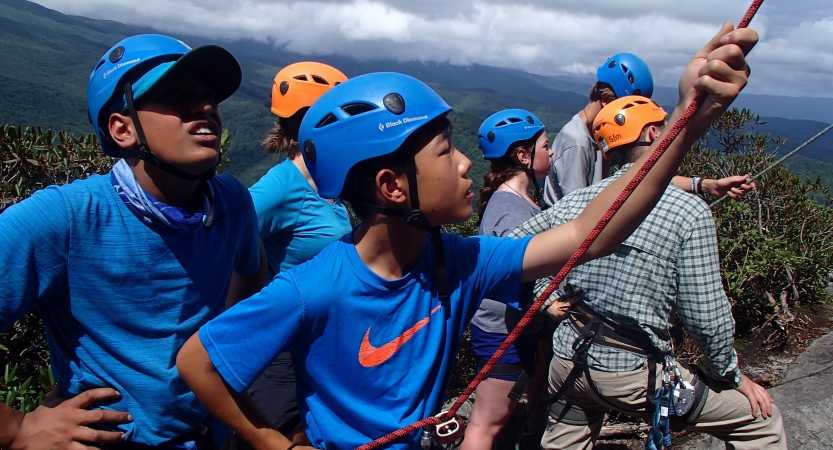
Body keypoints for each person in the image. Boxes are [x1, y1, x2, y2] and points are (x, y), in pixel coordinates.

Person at [176, 22, 757, 450]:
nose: (463, 165)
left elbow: (589, 231)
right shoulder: (314, 287)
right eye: (444, 151)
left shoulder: (457, 259)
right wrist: (279, 445)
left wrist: (684, 120)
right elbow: (199, 361)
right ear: (393, 186)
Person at [0, 34, 267, 449]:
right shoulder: (67, 218)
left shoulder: (232, 203)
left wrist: (225, 376)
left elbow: (248, 281)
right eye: (176, 96)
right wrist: (17, 430)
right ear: (122, 129)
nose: (206, 108)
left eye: (209, 96)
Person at [510, 95, 786, 449]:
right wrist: (730, 375)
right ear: (655, 132)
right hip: (635, 372)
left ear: (608, 152)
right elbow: (706, 319)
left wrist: (544, 294)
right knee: (762, 424)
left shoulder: (577, 202)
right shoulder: (688, 213)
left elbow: (512, 249)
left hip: (568, 363)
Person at [247, 62, 352, 444]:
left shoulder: (328, 183)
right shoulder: (282, 186)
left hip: (316, 347)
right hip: (282, 352)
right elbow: (223, 238)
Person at [461, 109, 574, 450]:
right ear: (524, 156)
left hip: (508, 328)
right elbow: (512, 276)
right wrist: (545, 309)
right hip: (503, 332)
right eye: (545, 145)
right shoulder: (511, 211)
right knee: (486, 424)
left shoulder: (514, 200)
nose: (551, 151)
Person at [542, 52, 755, 207]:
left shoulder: (604, 136)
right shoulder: (577, 142)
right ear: (606, 100)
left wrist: (705, 185)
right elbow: (577, 210)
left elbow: (638, 174)